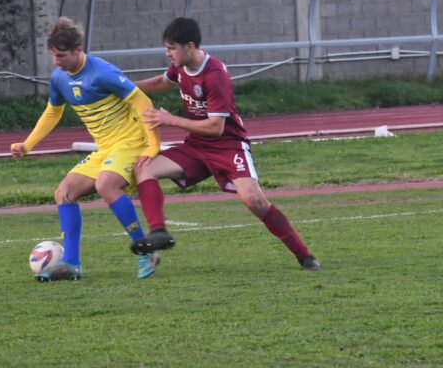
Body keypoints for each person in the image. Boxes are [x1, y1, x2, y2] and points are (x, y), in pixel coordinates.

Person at [130, 17, 321, 271]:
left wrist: (170, 119)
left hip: (228, 145)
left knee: (255, 201)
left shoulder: (215, 74)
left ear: (189, 46)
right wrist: (126, 89)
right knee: (144, 168)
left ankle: (305, 256)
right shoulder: (180, 67)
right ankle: (159, 232)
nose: (167, 53)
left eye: (171, 48)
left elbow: (215, 127)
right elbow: (163, 81)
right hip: (197, 146)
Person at [11, 17, 161, 281]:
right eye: (53, 56)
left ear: (78, 50)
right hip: (106, 148)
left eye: (61, 55)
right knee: (64, 192)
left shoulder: (103, 72)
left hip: (130, 142)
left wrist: (153, 144)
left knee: (106, 185)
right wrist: (27, 144)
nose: (56, 61)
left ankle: (145, 250)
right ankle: (71, 264)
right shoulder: (59, 78)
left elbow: (143, 100)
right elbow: (52, 113)